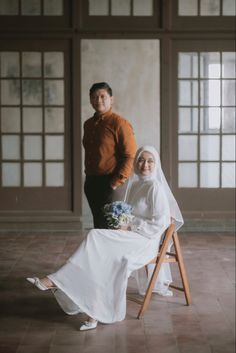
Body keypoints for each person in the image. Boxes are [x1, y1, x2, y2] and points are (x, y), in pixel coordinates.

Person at [26, 145, 183, 331]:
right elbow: (130, 213)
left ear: (156, 164)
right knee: (100, 257)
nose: (145, 164)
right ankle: (92, 312)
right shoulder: (135, 184)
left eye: (150, 161)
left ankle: (56, 282)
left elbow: (160, 223)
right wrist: (121, 220)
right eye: (141, 160)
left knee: (95, 237)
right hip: (130, 236)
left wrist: (130, 225)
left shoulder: (155, 187)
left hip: (145, 241)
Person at [83, 82, 137, 228]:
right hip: (91, 181)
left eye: (102, 96)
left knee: (113, 226)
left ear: (111, 99)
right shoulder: (88, 124)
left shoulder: (119, 124)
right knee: (99, 225)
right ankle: (101, 252)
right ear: (90, 99)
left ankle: (115, 252)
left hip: (111, 182)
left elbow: (130, 155)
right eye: (94, 97)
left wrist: (115, 182)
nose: (98, 100)